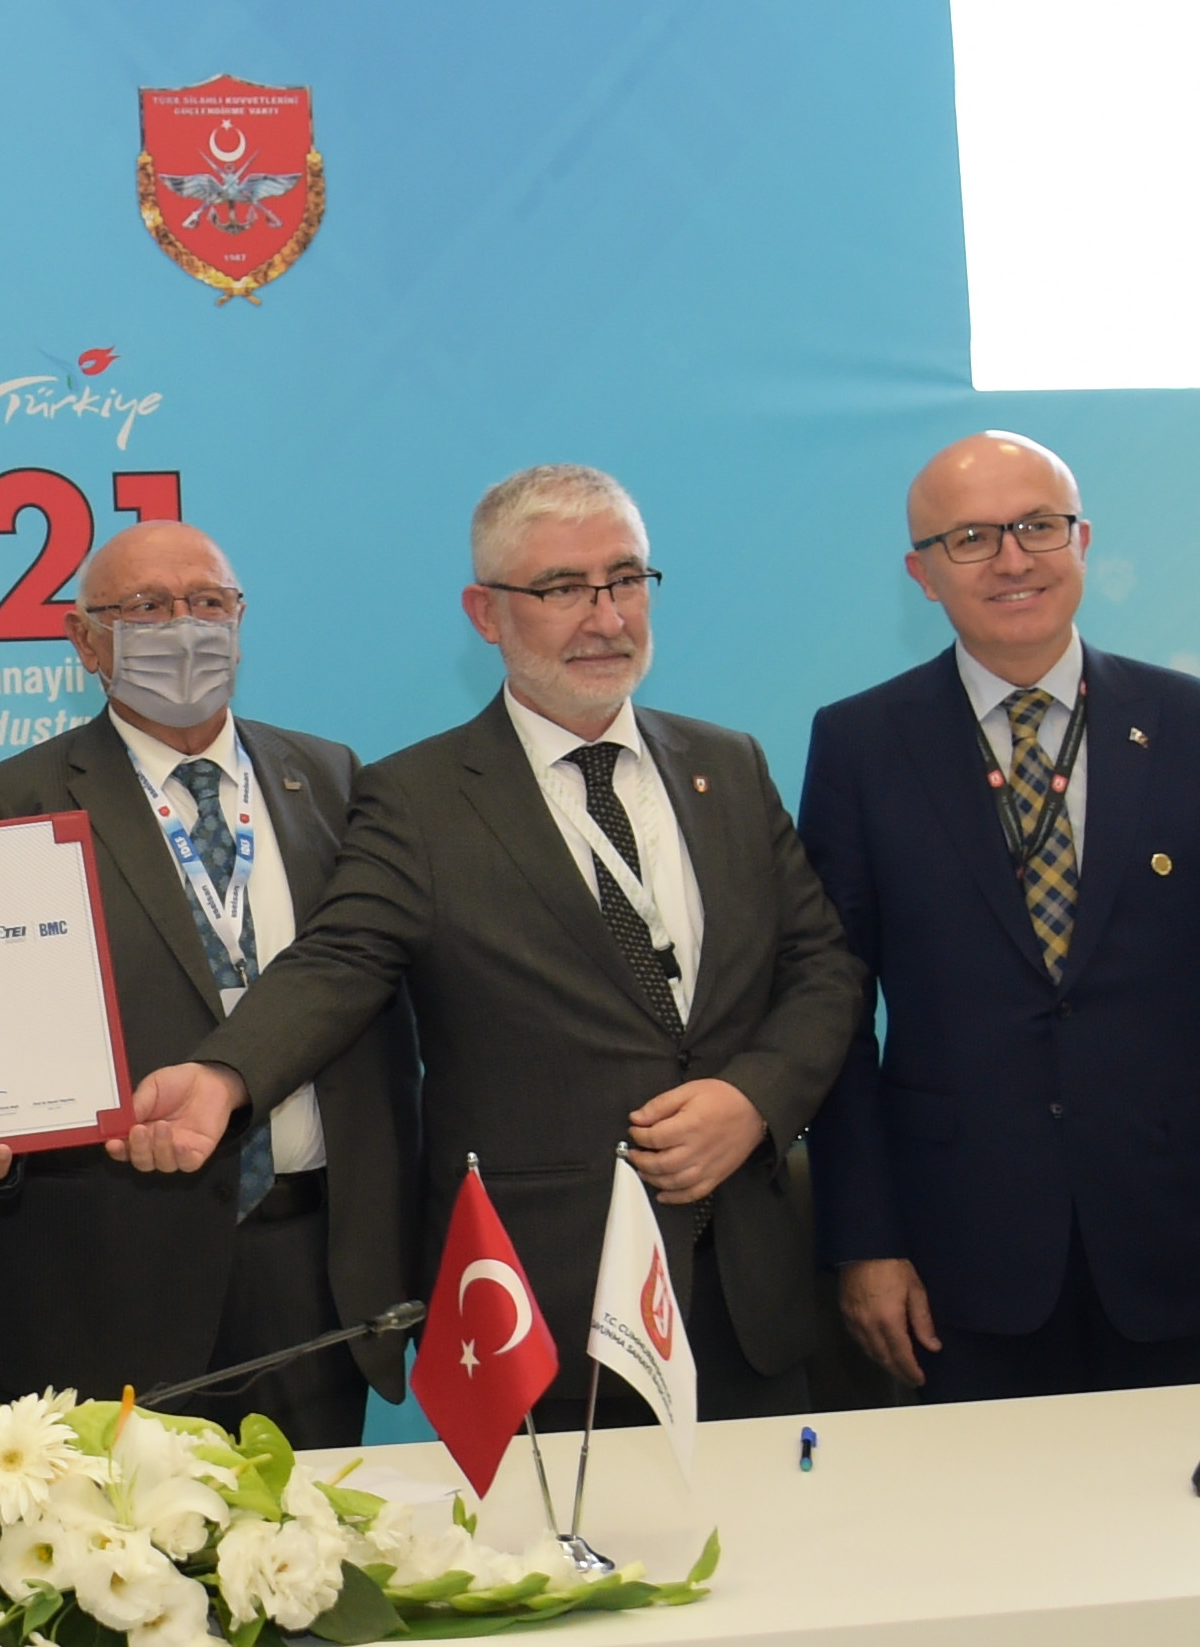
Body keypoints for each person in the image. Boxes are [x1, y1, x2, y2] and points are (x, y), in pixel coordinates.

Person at [114, 463, 865, 1427]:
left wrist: (755, 1099)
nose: (605, 617)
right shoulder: (418, 798)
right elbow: (340, 963)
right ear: (486, 614)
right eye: (561, 588)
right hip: (543, 1306)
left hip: (748, 1288)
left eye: (625, 579)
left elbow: (821, 968)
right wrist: (225, 1077)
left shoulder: (727, 763)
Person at [800, 433, 1200, 1400]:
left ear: (1082, 540)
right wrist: (866, 1242)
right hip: (957, 1255)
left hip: (1180, 1238)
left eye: (1038, 527)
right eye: (971, 538)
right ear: (922, 575)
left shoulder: (1197, 725)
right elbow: (834, 1016)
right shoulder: (860, 743)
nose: (1012, 559)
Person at [0, 520, 415, 1447]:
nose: (186, 626)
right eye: (147, 607)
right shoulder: (10, 802)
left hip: (315, 1268)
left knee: (308, 1533)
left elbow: (360, 972)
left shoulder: (334, 778)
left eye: (209, 602)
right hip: (110, 1280)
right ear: (86, 642)